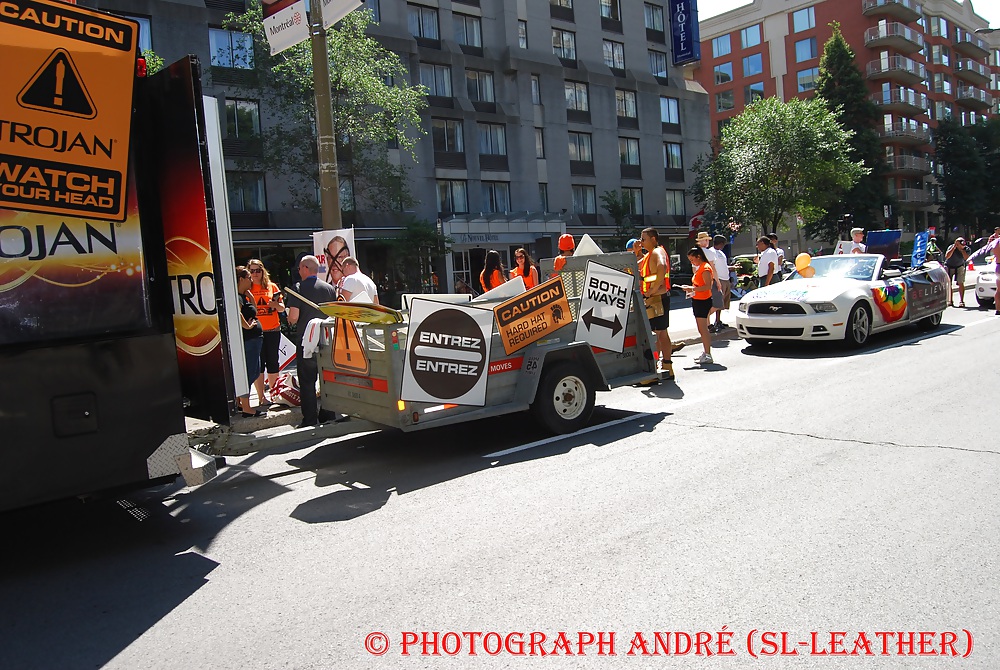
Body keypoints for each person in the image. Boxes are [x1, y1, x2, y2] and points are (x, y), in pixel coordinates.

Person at [286, 255, 338, 428]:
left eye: (300, 268)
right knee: (326, 379)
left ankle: (309, 419)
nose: (299, 271)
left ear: (305, 268)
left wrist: (287, 317)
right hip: (326, 339)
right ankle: (328, 414)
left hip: (306, 341)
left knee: (307, 381)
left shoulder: (298, 288)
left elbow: (293, 317)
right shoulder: (329, 288)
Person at [247, 259, 285, 404]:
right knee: (259, 364)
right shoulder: (247, 288)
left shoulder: (272, 286)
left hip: (273, 329)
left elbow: (282, 308)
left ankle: (274, 395)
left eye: (258, 270)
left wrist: (275, 304)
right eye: (252, 270)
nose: (255, 273)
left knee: (273, 362)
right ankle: (261, 397)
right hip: (256, 331)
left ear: (263, 271)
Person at [639, 227, 675, 380]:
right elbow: (638, 264)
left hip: (656, 299)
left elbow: (662, 267)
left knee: (655, 334)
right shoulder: (650, 254)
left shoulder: (657, 252)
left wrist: (652, 290)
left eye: (643, 239)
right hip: (656, 298)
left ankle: (654, 369)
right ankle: (664, 365)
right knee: (660, 333)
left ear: (653, 239)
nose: (641, 242)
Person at [235, 266, 265, 417]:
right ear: (241, 279)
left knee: (254, 370)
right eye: (248, 278)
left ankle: (240, 403)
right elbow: (237, 313)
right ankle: (247, 407)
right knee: (249, 371)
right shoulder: (237, 298)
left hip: (254, 339)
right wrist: (247, 326)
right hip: (249, 340)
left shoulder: (243, 296)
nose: (251, 280)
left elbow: (255, 310)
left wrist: (250, 295)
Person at [679, 247, 715, 366]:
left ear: (698, 257)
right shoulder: (700, 268)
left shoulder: (705, 268)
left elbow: (707, 286)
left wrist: (692, 288)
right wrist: (690, 288)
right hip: (698, 299)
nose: (691, 262)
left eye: (692, 260)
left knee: (703, 329)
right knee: (701, 329)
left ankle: (708, 354)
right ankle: (706, 352)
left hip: (703, 300)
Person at [696, 232, 724, 330]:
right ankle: (706, 319)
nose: (708, 242)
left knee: (704, 302)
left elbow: (694, 269)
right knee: (718, 301)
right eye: (706, 239)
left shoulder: (695, 252)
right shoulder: (709, 253)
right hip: (709, 279)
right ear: (701, 241)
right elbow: (713, 268)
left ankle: (707, 324)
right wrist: (718, 281)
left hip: (698, 281)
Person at [711, 234, 735, 332]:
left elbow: (723, 266)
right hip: (719, 279)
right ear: (720, 244)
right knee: (718, 302)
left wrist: (732, 268)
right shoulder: (712, 252)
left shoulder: (721, 253)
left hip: (725, 279)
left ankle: (718, 320)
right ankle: (713, 321)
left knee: (723, 302)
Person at [944, 237, 970, 307]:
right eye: (959, 242)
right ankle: (950, 300)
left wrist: (962, 250)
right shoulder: (951, 247)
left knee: (960, 283)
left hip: (960, 266)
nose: (961, 244)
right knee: (949, 284)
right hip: (949, 266)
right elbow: (947, 256)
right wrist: (954, 248)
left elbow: (966, 258)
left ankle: (961, 301)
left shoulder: (966, 249)